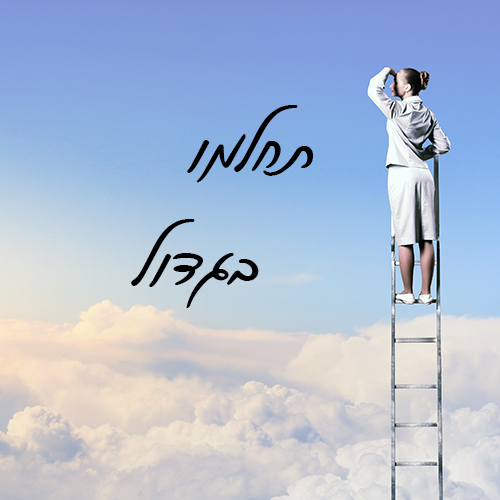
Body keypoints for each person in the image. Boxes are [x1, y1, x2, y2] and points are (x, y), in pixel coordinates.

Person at [368, 67, 451, 305]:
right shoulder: (428, 114)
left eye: (395, 82)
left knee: (405, 235)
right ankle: (426, 293)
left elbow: (373, 87)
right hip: (423, 176)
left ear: (406, 88)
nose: (391, 86)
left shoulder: (395, 110)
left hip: (401, 175)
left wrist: (386, 70)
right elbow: (444, 145)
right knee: (427, 236)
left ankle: (408, 291)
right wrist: (422, 155)